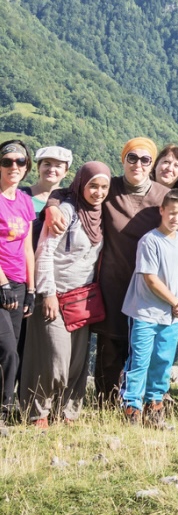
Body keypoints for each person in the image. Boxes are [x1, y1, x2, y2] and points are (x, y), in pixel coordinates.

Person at [45, 137, 178, 400]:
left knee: (150, 345)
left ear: (151, 164)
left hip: (154, 284)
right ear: (124, 160)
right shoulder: (110, 188)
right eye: (132, 158)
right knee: (111, 344)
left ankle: (144, 400)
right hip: (114, 280)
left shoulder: (163, 196)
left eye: (145, 159)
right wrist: (52, 207)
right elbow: (70, 191)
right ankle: (107, 401)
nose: (138, 164)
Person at [22, 162, 110, 426]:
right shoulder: (66, 212)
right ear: (81, 184)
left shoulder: (101, 214)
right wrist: (47, 293)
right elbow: (45, 252)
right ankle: (38, 411)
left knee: (76, 362)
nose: (98, 192)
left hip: (82, 297)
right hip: (54, 294)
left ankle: (67, 411)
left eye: (104, 187)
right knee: (53, 359)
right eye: (93, 185)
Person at [119, 188, 178, 426]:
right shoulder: (149, 240)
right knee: (139, 361)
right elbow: (150, 279)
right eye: (172, 213)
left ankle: (155, 404)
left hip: (171, 316)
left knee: (163, 360)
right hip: (145, 312)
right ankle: (132, 406)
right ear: (162, 210)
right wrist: (175, 302)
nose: (176, 219)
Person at [0, 140, 36, 418]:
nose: (14, 166)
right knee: (7, 350)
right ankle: (5, 406)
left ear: (27, 167)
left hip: (19, 285)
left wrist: (31, 289)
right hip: (1, 285)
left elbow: (27, 247)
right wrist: (2, 283)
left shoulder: (24, 201)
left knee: (15, 349)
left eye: (20, 161)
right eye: (7, 161)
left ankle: (7, 407)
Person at [25, 146, 72, 222]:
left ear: (65, 172)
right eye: (47, 164)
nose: (51, 169)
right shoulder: (21, 195)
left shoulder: (69, 199)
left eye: (58, 166)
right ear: (38, 167)